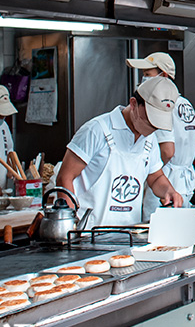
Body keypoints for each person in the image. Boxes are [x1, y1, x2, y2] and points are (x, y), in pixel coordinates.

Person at [56, 75, 185, 228]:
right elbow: (65, 178)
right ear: (134, 103)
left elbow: (155, 177)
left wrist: (168, 191)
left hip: (128, 235)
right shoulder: (96, 130)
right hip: (89, 235)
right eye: (149, 120)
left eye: (156, 126)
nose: (151, 129)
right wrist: (70, 225)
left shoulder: (149, 139)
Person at [126, 52, 195, 218]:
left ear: (164, 75)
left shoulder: (161, 105)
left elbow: (167, 151)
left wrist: (151, 173)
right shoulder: (186, 104)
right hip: (186, 185)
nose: (143, 79)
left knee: (156, 236)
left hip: (165, 186)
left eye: (147, 74)